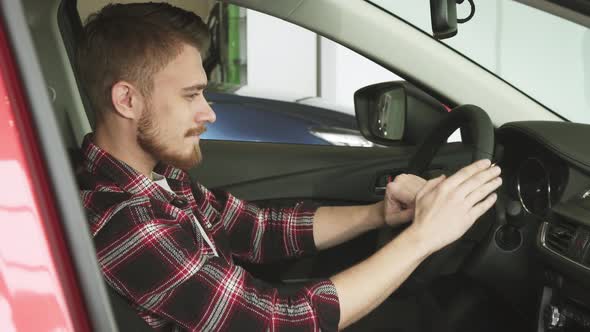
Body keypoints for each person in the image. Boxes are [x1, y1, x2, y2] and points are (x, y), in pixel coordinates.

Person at [75, 2, 502, 331]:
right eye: (191, 95)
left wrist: (378, 215)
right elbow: (279, 323)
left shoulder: (157, 179)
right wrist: (425, 237)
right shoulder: (127, 222)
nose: (209, 113)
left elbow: (254, 229)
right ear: (127, 100)